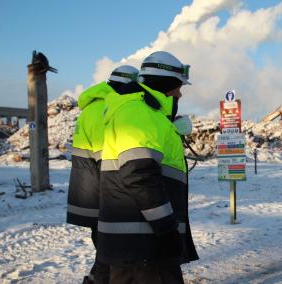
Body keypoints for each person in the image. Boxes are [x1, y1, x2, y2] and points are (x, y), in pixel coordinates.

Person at [97, 51, 199, 283]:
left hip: (146, 242)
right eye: (179, 86)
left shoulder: (149, 114)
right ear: (167, 84)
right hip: (141, 243)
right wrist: (166, 228)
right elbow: (139, 174)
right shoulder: (138, 113)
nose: (180, 93)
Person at [67, 65, 139, 284]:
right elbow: (115, 156)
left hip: (88, 191)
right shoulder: (113, 108)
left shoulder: (89, 110)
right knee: (114, 253)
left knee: (105, 247)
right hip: (108, 193)